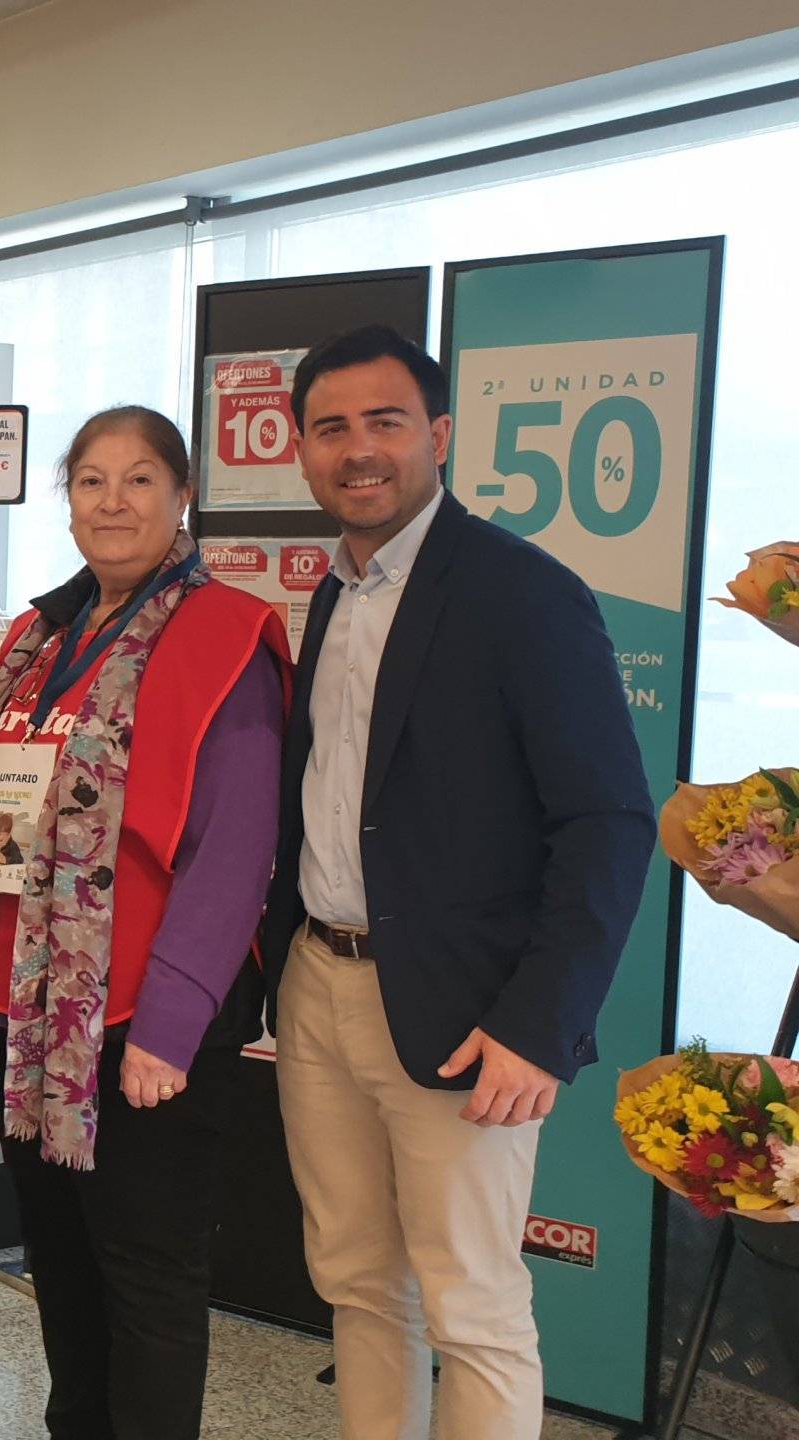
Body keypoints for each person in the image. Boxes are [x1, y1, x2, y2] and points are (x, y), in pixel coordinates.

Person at [261, 326, 655, 1438]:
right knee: (353, 1282)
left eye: (385, 422)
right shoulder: (335, 592)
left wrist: (541, 1023)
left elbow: (607, 822)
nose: (358, 450)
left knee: (472, 1306)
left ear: (438, 435)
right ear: (301, 452)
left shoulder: (521, 592)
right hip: (320, 988)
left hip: (464, 1015)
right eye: (331, 428)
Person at [0, 406, 285, 1440]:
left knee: (147, 1279)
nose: (113, 502)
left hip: (141, 1029)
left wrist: (171, 1030)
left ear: (181, 497)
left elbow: (234, 849)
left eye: (138, 480)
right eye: (90, 480)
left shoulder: (223, 635)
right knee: (63, 1268)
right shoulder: (37, 637)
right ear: (68, 498)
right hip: (27, 1012)